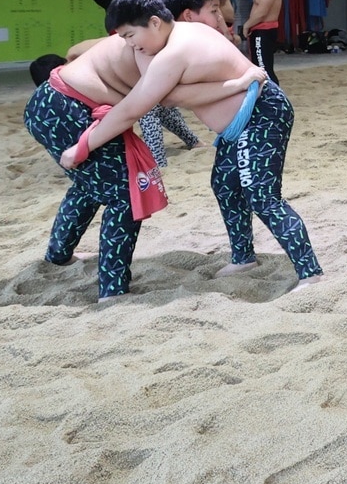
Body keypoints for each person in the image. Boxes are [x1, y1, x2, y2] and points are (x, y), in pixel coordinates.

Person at [61, 0, 323, 288]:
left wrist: (83, 146)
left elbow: (138, 107)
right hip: (239, 122)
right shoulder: (182, 36)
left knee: (261, 195)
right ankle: (243, 257)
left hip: (262, 114)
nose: (131, 45)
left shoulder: (174, 52)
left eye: (131, 35)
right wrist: (233, 85)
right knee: (225, 185)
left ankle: (310, 272)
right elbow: (169, 97)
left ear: (155, 22)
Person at [24, 26, 262, 300]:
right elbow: (167, 100)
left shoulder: (142, 38)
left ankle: (59, 255)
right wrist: (239, 83)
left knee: (88, 184)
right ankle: (112, 290)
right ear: (187, 15)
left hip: (45, 101)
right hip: (70, 109)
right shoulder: (156, 48)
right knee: (124, 194)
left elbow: (76, 52)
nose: (220, 18)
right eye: (213, 10)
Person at [241, 0, 283, 84]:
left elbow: (262, 13)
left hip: (263, 32)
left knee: (263, 69)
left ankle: (273, 99)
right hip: (261, 32)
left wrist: (246, 25)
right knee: (261, 67)